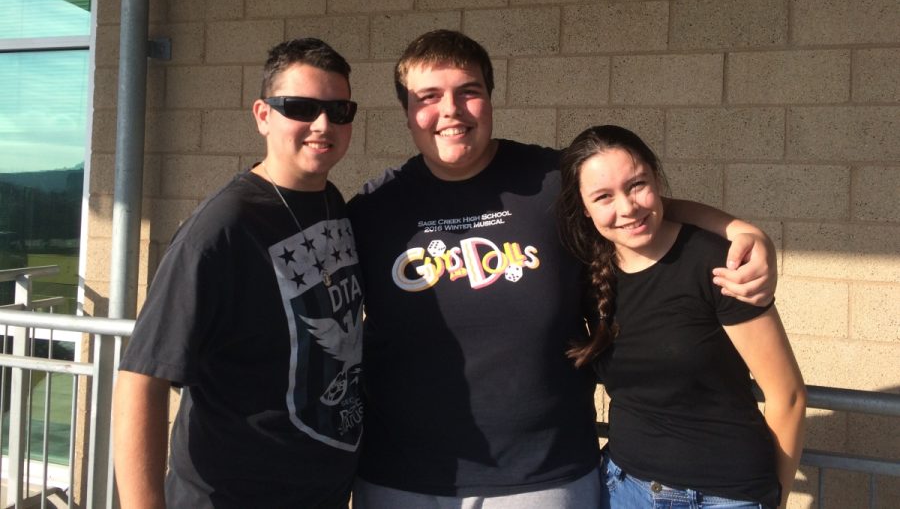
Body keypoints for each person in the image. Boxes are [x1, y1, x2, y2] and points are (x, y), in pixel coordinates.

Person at [348, 29, 778, 508]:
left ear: (490, 99)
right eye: (429, 97)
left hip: (544, 476)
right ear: (407, 112)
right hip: (402, 479)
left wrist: (744, 231)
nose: (450, 110)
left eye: (468, 92)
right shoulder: (373, 210)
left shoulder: (552, 182)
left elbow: (641, 208)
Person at [113, 38, 364, 509]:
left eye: (339, 109)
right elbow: (140, 380)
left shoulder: (331, 204)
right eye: (301, 107)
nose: (323, 124)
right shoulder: (221, 229)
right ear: (263, 115)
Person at [557, 124, 806, 509]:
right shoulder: (587, 270)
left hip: (724, 497)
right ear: (585, 210)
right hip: (623, 489)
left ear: (657, 179)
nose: (626, 208)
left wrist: (775, 498)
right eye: (603, 196)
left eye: (637, 184)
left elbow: (786, 396)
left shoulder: (718, 263)